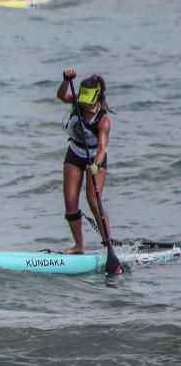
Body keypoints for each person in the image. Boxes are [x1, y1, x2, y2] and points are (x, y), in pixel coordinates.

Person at [56, 70, 112, 254]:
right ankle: (79, 246)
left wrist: (95, 165)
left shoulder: (103, 120)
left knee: (93, 200)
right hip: (75, 153)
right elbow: (61, 95)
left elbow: (102, 148)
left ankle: (108, 244)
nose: (85, 105)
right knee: (70, 201)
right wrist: (66, 81)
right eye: (83, 101)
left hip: (95, 159)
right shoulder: (78, 101)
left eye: (89, 102)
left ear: (97, 97)